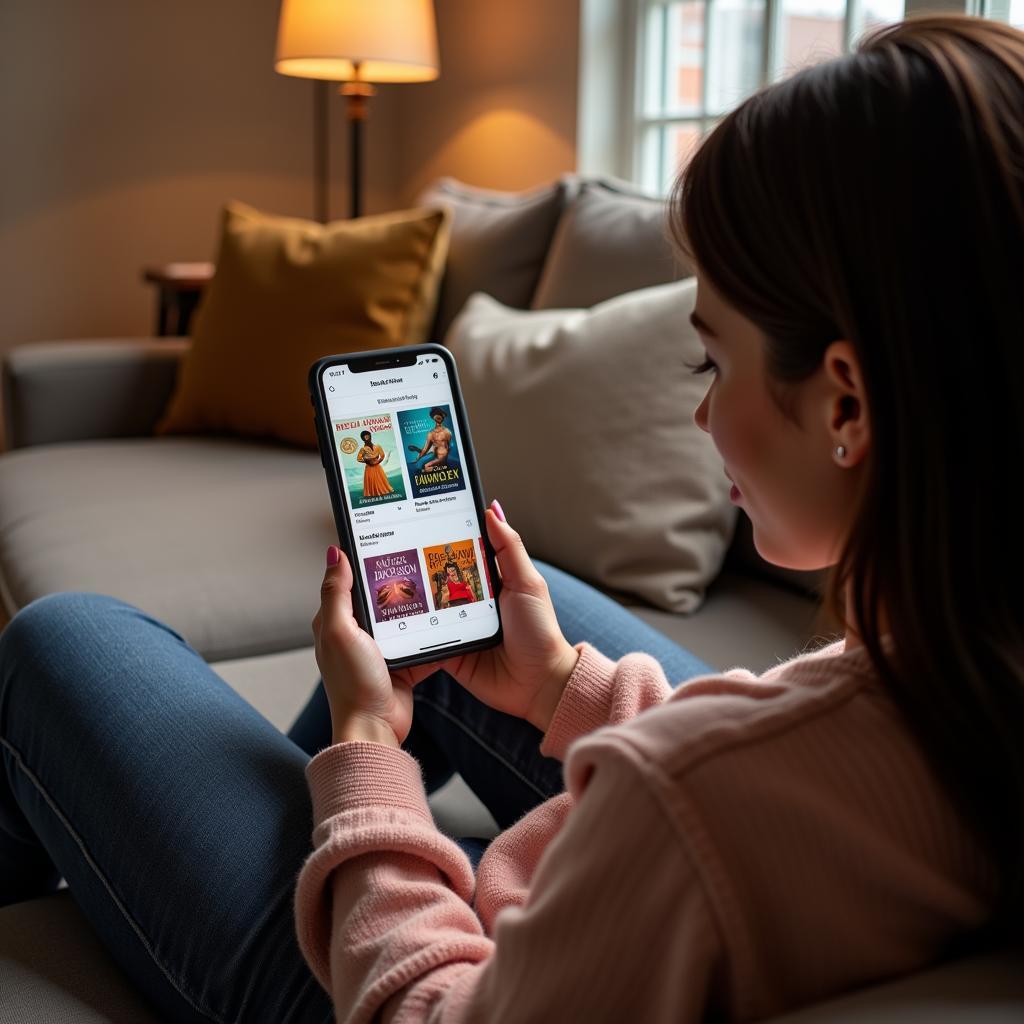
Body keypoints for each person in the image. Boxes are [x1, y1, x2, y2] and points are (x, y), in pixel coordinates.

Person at [1, 12, 1022, 1022]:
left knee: (65, 636)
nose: (703, 412)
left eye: (712, 361)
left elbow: (438, 1003)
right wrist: (556, 688)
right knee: (484, 612)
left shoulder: (686, 805)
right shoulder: (957, 667)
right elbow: (790, 781)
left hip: (403, 976)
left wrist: (367, 755)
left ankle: (192, 844)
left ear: (845, 403)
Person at [356, 429, 394, 499]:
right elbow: (358, 459)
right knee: (371, 480)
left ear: (370, 436)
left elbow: (382, 455)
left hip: (377, 466)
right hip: (369, 468)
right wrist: (367, 461)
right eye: (365, 437)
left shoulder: (378, 446)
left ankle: (382, 491)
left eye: (368, 436)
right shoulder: (363, 449)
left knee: (381, 479)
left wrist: (377, 462)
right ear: (363, 439)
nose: (367, 438)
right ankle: (372, 493)